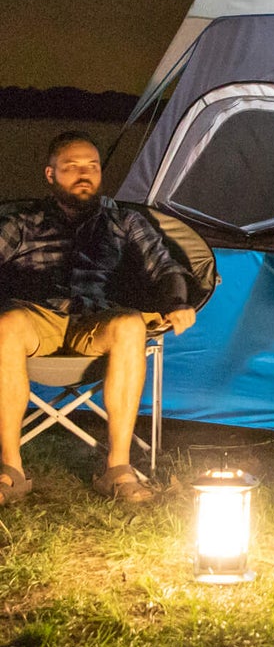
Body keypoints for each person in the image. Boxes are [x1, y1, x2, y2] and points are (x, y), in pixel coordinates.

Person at [0, 131, 198, 504]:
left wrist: (176, 302)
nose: (84, 174)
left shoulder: (124, 221)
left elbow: (165, 267)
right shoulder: (23, 223)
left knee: (130, 324)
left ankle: (117, 469)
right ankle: (11, 468)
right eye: (72, 167)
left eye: (91, 166)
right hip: (36, 319)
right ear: (50, 174)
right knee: (5, 324)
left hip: (97, 320)